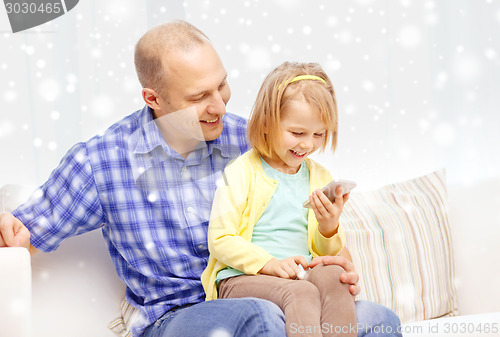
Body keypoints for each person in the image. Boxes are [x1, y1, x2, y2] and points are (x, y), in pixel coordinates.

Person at [0, 20, 401, 337]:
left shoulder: (251, 140)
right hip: (176, 317)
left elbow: (302, 217)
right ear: (153, 99)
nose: (219, 106)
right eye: (198, 98)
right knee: (259, 320)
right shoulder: (102, 161)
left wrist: (331, 259)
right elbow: (19, 235)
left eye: (222, 85)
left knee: (379, 320)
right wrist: (14, 238)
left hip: (275, 293)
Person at [202, 62, 357, 337]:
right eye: (297, 133)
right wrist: (269, 263)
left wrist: (328, 228)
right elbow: (220, 240)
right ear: (266, 123)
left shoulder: (319, 176)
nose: (308, 144)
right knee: (302, 293)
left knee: (335, 279)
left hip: (300, 272)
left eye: (318, 134)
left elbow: (326, 253)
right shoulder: (241, 172)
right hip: (243, 278)